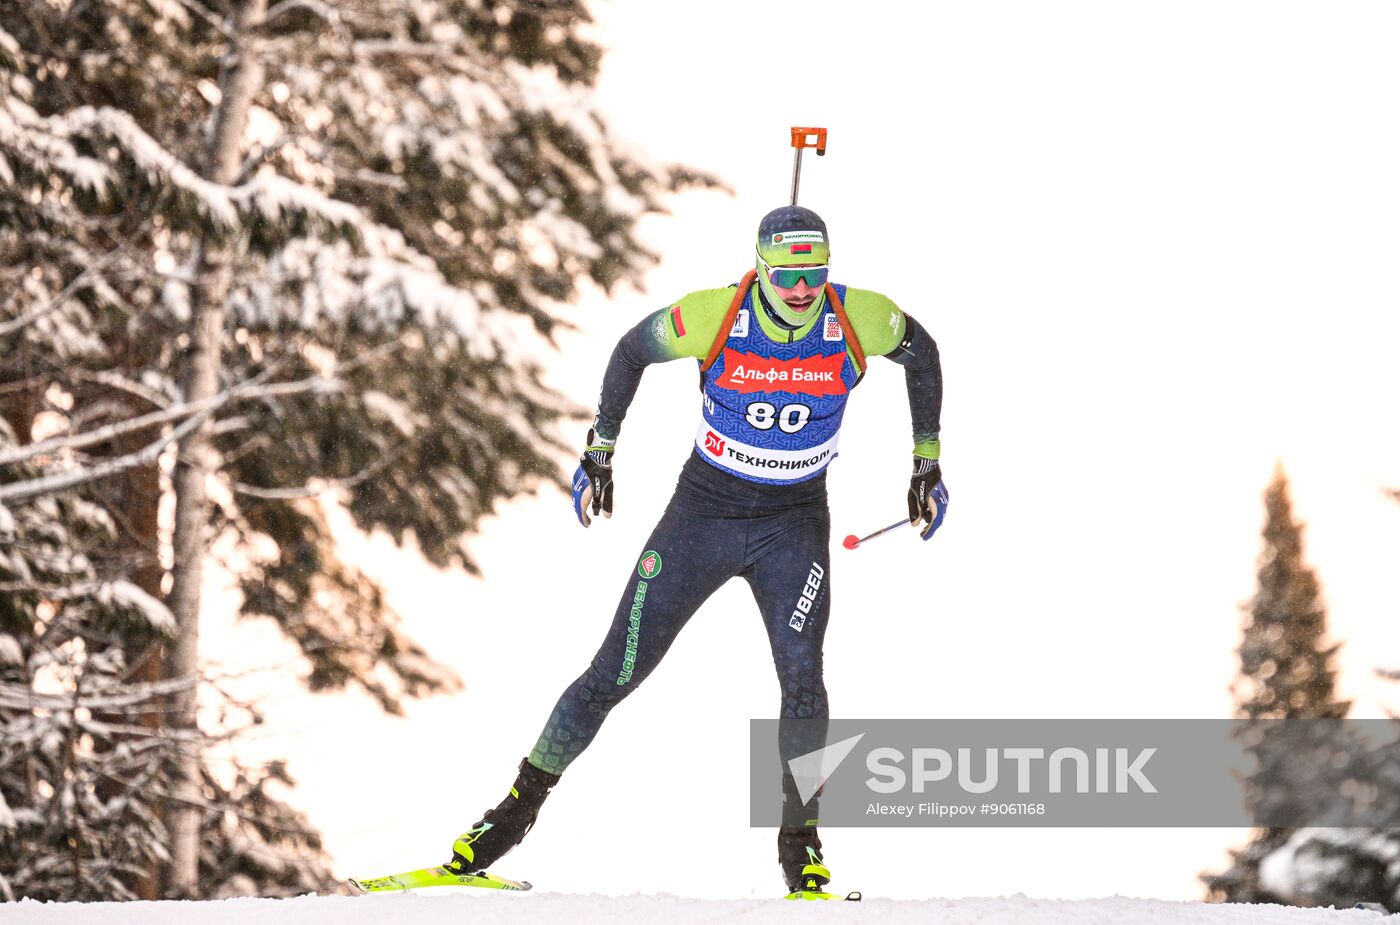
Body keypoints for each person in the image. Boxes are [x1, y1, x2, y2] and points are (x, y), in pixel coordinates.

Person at [445, 205, 947, 896]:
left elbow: (920, 351)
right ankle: (507, 818)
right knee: (613, 672)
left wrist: (926, 459)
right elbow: (630, 351)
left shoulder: (861, 316)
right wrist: (600, 446)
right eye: (787, 275)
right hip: (702, 515)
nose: (801, 289)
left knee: (803, 676)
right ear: (762, 268)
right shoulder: (716, 314)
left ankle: (800, 845)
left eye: (814, 273)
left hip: (794, 524)